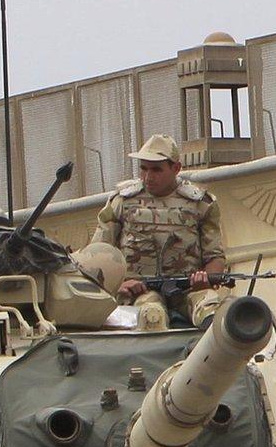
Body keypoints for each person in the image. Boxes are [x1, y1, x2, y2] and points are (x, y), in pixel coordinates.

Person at [90, 135, 229, 327]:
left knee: (211, 310)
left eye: (156, 169)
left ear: (176, 168)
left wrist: (206, 281)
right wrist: (119, 286)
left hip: (188, 291)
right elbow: (96, 257)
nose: (148, 177)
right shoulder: (122, 203)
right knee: (151, 315)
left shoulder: (201, 204)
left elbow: (215, 257)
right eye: (144, 169)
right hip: (140, 293)